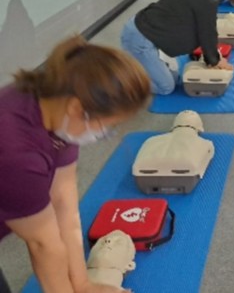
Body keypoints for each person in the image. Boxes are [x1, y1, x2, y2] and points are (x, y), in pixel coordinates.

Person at [0, 36, 151, 293]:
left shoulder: (58, 108)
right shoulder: (17, 152)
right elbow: (44, 246)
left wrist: (82, 284)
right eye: (107, 127)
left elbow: (65, 207)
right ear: (77, 108)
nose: (102, 135)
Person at [122, 0, 234, 94]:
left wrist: (213, 58)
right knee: (166, 87)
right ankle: (121, 81)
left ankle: (139, 67)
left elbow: (205, 29)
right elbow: (207, 33)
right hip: (139, 37)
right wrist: (216, 61)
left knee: (177, 78)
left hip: (147, 31)